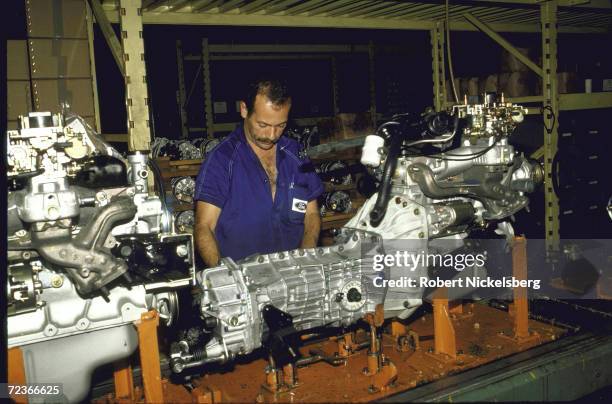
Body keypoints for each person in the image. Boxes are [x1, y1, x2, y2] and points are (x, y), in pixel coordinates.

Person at [194, 76, 324, 267]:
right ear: (244, 109)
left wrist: (306, 260)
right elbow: (204, 227)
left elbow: (311, 214)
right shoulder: (222, 160)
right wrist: (224, 278)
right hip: (244, 281)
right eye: (263, 125)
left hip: (294, 276)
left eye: (280, 126)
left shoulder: (296, 155)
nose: (272, 135)